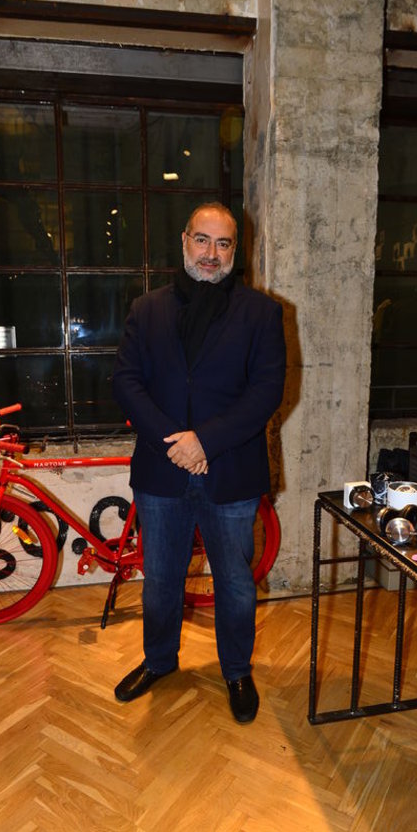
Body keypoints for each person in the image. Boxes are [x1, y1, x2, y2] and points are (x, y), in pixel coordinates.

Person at [112, 202, 285, 723]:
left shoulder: (262, 313)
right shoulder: (146, 309)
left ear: (235, 250)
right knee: (160, 580)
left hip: (229, 470)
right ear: (185, 240)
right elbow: (126, 382)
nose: (211, 253)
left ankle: (236, 671)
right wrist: (177, 443)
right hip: (161, 469)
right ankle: (159, 661)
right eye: (202, 240)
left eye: (223, 243)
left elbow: (266, 392)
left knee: (234, 582)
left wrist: (204, 443)